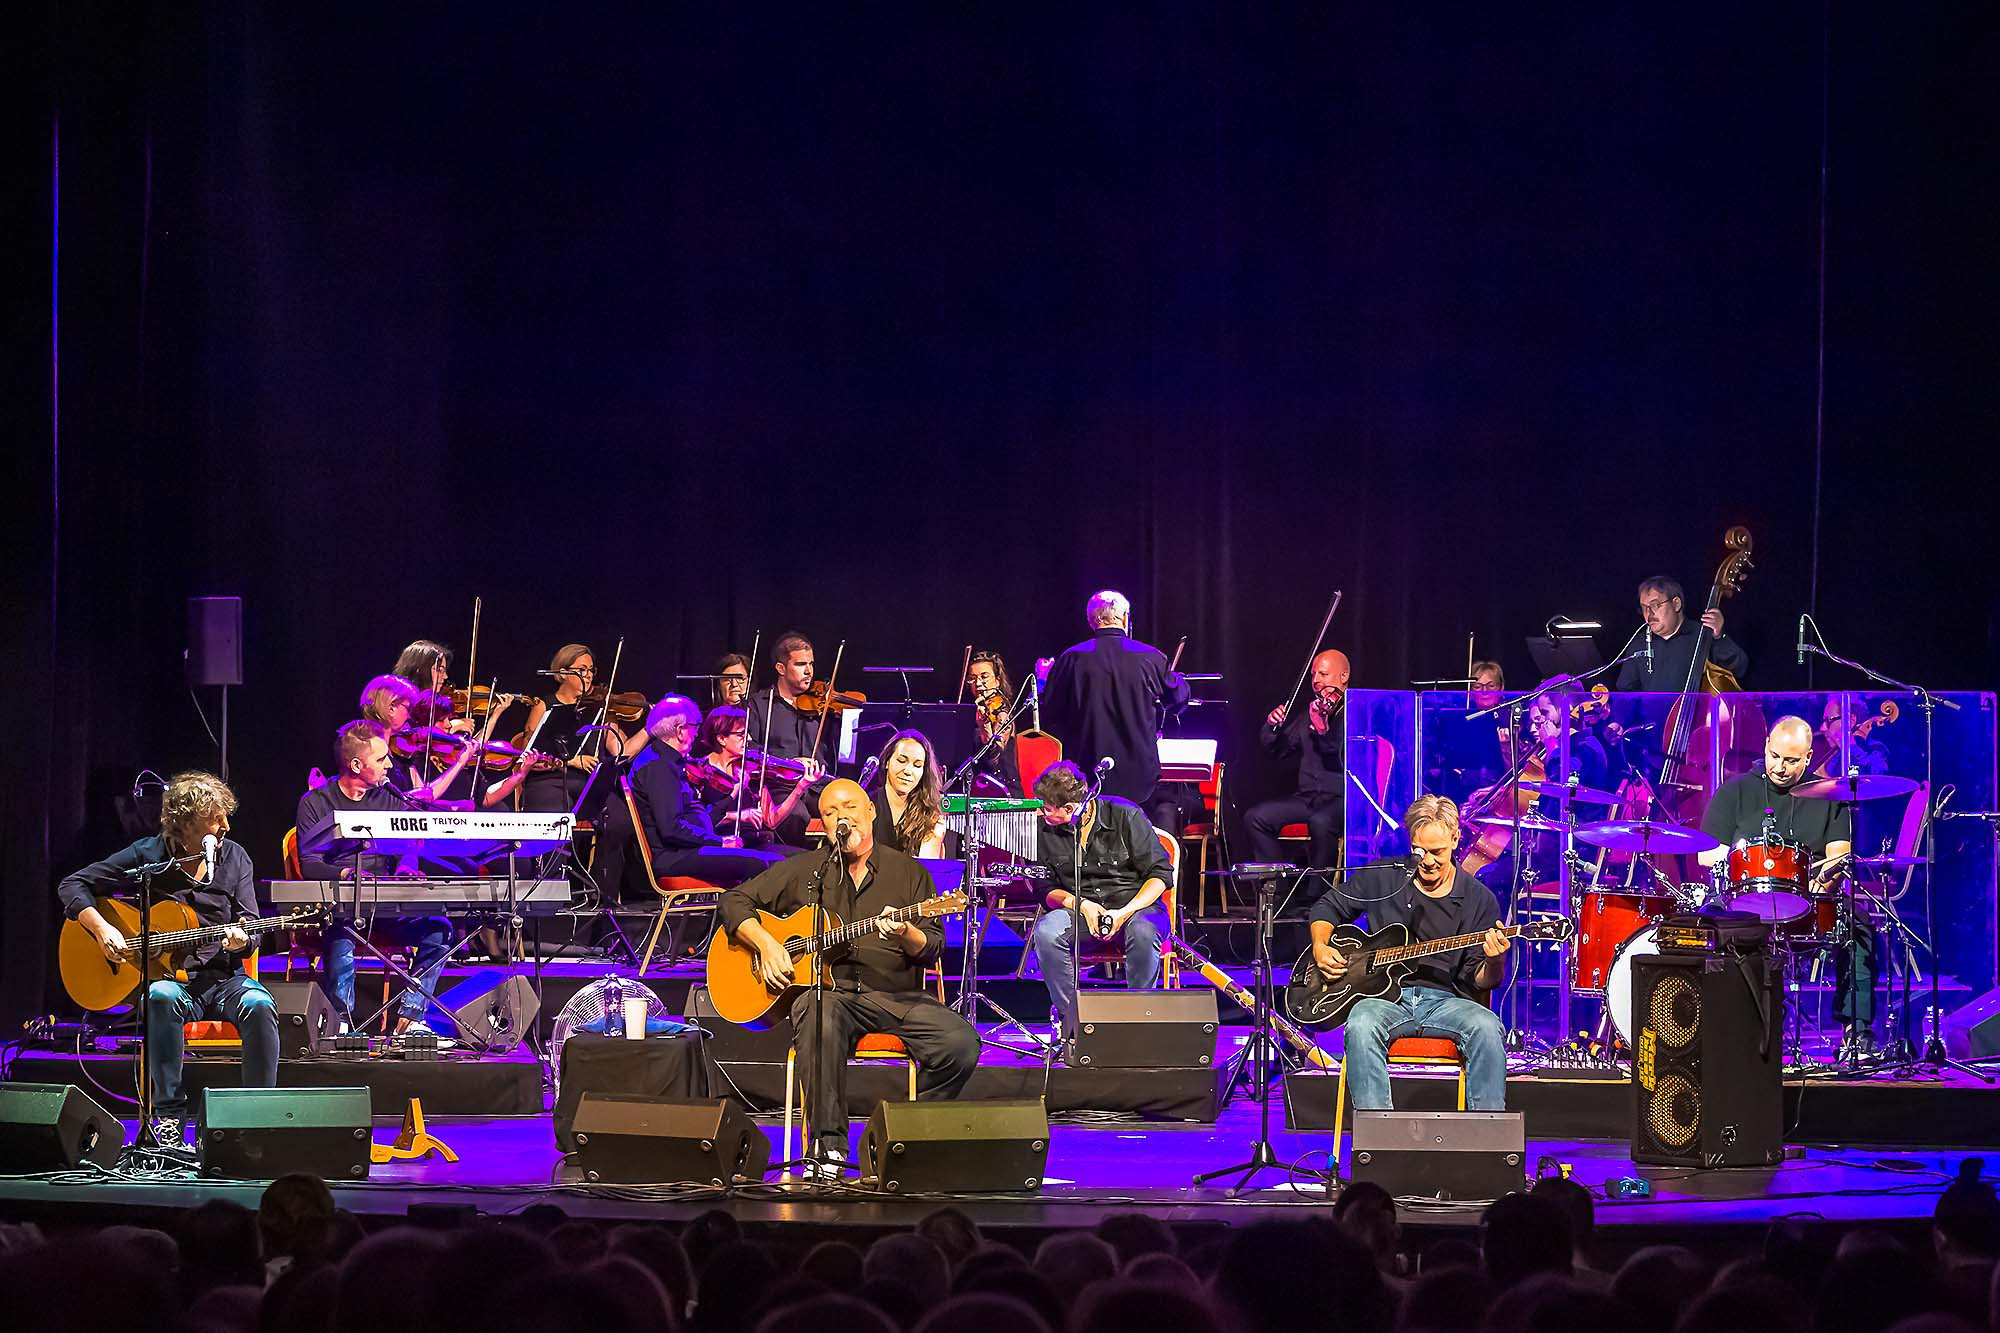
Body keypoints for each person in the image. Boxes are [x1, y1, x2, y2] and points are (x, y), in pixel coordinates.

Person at [716, 780, 981, 1171]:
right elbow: (733, 901)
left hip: (897, 998)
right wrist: (767, 945)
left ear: (871, 811)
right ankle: (828, 1150)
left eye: (851, 807)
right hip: (832, 997)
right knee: (817, 1012)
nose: (843, 817)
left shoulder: (909, 873)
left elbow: (933, 946)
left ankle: (906, 1134)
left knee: (960, 1043)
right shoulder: (806, 870)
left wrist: (907, 933)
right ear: (823, 824)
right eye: (831, 812)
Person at [56, 771, 278, 1147]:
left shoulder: (235, 857)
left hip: (223, 979)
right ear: (186, 822)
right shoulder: (149, 855)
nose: (225, 825)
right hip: (172, 983)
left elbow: (252, 926)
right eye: (215, 818)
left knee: (260, 1004)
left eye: (225, 816)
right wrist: (102, 929)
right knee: (159, 996)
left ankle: (256, 1118)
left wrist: (242, 941)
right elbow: (73, 884)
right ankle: (169, 1119)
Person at [1307, 794, 1511, 1111]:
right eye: (1419, 851)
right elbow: (1328, 907)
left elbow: (1482, 979)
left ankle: (1488, 1133)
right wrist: (1321, 946)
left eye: (1437, 852)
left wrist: (1495, 959)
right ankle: (1377, 1132)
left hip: (1447, 1002)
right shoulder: (1385, 876)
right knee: (1361, 1023)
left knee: (1486, 1027)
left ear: (1455, 839)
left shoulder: (1478, 899)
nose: (1427, 861)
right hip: (1383, 1000)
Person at [1698, 715, 1865, 1050]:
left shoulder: (1830, 795)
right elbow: (1705, 854)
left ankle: (1857, 1032)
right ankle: (1719, 1032)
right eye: (1774, 756)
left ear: (1808, 757)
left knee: (1858, 926)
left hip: (1809, 903)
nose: (1780, 767)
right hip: (1743, 903)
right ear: (1766, 747)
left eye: (1791, 760)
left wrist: (1823, 884)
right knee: (1702, 923)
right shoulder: (1735, 789)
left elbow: (1839, 855)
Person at [294, 720, 455, 1037]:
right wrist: (347, 874)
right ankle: (341, 1024)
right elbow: (309, 864)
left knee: (439, 929)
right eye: (381, 759)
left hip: (386, 906)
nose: (389, 765)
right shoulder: (315, 803)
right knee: (342, 929)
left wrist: (406, 867)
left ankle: (410, 1019)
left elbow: (409, 846)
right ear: (356, 765)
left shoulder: (390, 799)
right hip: (340, 907)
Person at [1028, 760, 1174, 1042]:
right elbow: (1044, 888)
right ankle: (1073, 1025)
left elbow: (1160, 875)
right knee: (1046, 932)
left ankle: (1139, 1026)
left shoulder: (1125, 815)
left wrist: (1124, 912)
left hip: (1136, 909)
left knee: (1143, 932)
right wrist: (1082, 905)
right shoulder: (1042, 829)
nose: (1040, 812)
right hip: (1081, 912)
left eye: (1046, 808)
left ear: (1070, 809)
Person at [1039, 591, 1189, 818]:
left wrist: (1043, 680)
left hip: (1086, 775)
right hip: (1139, 779)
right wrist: (1177, 680)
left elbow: (1050, 713)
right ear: (1126, 618)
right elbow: (1177, 701)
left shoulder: (1070, 659)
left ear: (1091, 621)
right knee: (1136, 836)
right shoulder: (1151, 657)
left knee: (1089, 836)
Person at [626, 695, 793, 887]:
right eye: (695, 726)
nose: (697, 733)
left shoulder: (669, 762)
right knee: (767, 866)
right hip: (676, 856)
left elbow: (692, 815)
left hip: (689, 849)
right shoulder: (660, 766)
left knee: (777, 861)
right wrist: (719, 842)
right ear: (680, 731)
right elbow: (672, 829)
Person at [1245, 649, 1349, 875]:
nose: (1316, 680)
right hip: (1308, 799)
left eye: (1323, 674)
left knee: (1321, 822)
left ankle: (1318, 892)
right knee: (1256, 817)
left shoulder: (1354, 712)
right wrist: (1271, 727)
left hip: (1342, 800)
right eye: (1313, 675)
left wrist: (1322, 729)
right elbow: (1278, 751)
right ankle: (1276, 887)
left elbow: (1340, 755)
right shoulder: (1310, 713)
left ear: (1344, 676)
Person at [745, 632, 840, 841]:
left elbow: (838, 752)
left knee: (849, 807)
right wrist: (788, 763)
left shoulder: (821, 706)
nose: (809, 671)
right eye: (800, 664)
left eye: (811, 664)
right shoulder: (759, 704)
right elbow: (750, 752)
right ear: (781, 668)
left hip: (817, 785)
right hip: (781, 787)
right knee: (796, 817)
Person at [519, 643, 633, 815]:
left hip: (588, 785)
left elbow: (619, 750)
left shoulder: (599, 707)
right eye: (582, 670)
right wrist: (572, 760)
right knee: (556, 818)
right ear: (563, 673)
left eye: (591, 670)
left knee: (622, 822)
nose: (588, 675)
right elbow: (528, 756)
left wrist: (649, 727)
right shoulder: (544, 705)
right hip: (549, 781)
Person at [1615, 575, 1748, 691]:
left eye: (1655, 605)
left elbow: (1739, 669)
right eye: (1644, 608)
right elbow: (1626, 691)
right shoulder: (1639, 643)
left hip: (1699, 713)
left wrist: (1719, 637)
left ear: (1676, 604)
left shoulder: (1702, 634)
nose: (1649, 614)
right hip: (1653, 715)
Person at [867, 729, 947, 857]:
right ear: (887, 762)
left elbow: (928, 867)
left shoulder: (928, 815)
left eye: (917, 765)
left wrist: (934, 840)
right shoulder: (867, 805)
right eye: (901, 761)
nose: (908, 771)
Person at [965, 651, 1022, 796]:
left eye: (984, 677)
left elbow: (993, 760)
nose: (978, 684)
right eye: (973, 679)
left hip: (1003, 791)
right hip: (978, 787)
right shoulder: (974, 711)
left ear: (997, 680)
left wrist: (985, 731)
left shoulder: (1003, 712)